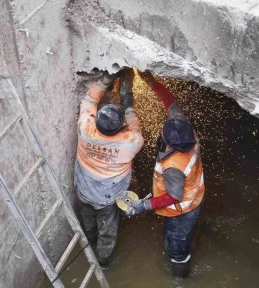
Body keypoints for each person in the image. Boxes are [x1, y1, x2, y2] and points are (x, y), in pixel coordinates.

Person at [126, 72, 205, 278]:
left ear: (170, 143)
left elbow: (173, 196)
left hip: (182, 209)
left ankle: (180, 277)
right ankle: (190, 238)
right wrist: (149, 80)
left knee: (176, 247)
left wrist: (142, 206)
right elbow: (170, 102)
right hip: (195, 196)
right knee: (184, 234)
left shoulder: (173, 167)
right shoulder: (185, 129)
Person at [74, 69, 144, 267]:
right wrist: (128, 104)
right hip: (107, 198)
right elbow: (135, 128)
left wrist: (106, 79)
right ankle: (103, 261)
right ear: (119, 127)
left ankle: (89, 246)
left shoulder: (85, 129)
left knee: (88, 221)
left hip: (83, 190)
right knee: (107, 229)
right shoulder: (130, 142)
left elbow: (89, 100)